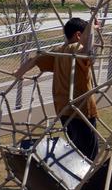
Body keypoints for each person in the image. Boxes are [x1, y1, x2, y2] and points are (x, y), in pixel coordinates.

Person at [14, 17, 101, 160]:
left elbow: (35, 59)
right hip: (81, 109)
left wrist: (19, 72)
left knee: (77, 150)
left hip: (63, 109)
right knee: (89, 154)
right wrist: (91, 30)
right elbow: (87, 52)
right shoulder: (76, 49)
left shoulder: (59, 51)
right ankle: (87, 179)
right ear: (78, 35)